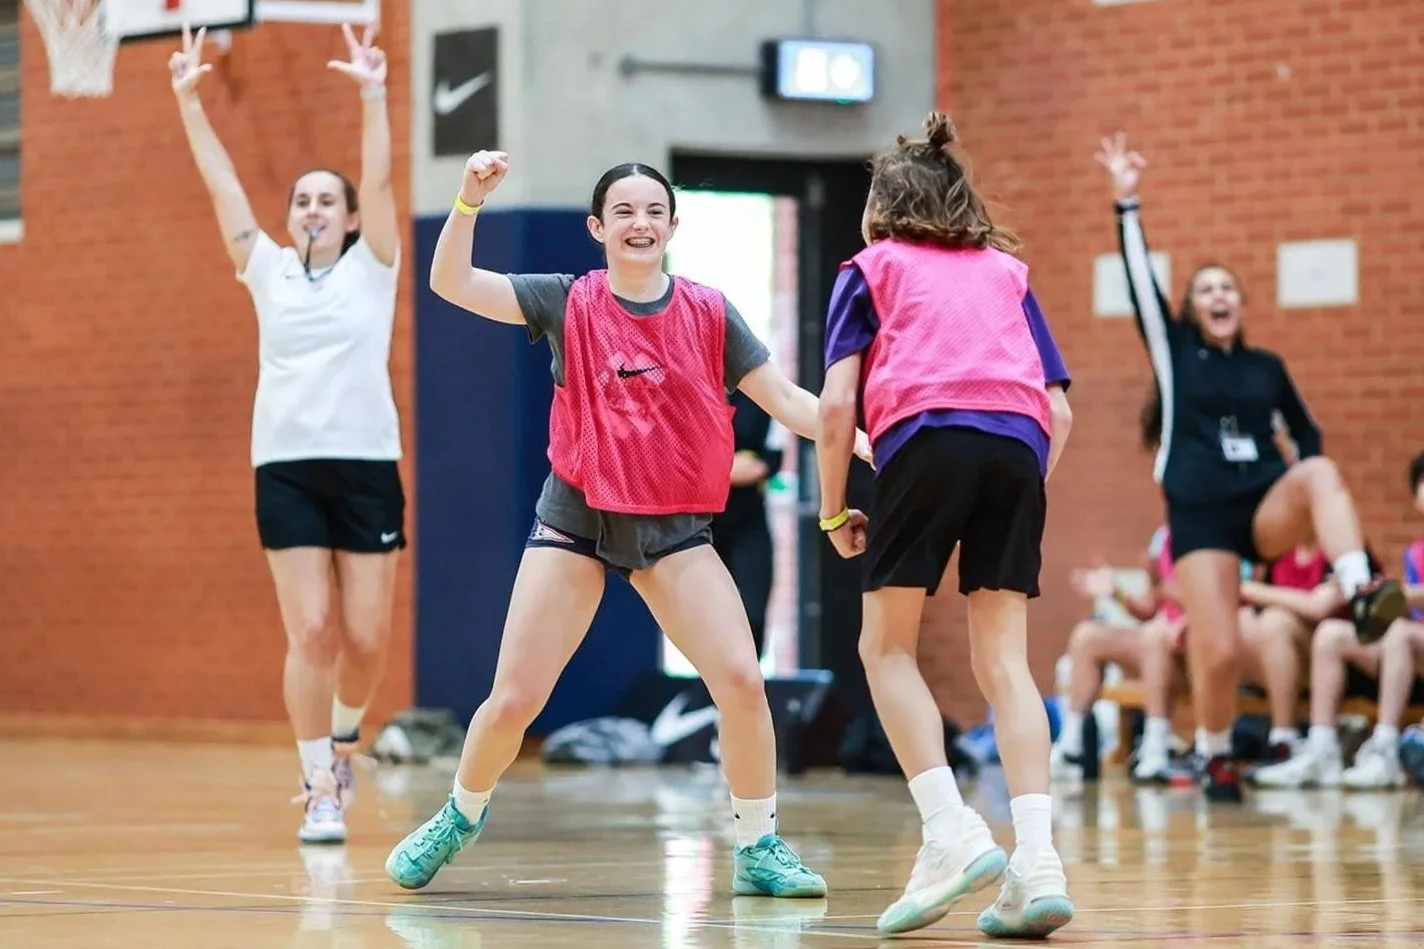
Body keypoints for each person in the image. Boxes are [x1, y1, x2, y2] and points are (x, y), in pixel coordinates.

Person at [384, 149, 871, 897]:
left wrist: (858, 433)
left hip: (673, 529)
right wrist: (468, 200)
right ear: (597, 227)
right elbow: (450, 282)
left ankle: (757, 843)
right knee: (514, 698)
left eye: (653, 211)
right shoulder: (565, 300)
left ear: (672, 224)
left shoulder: (709, 311)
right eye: (624, 212)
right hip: (576, 519)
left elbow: (786, 399)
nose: (639, 223)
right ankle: (458, 813)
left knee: (742, 680)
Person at [817, 112, 1075, 939]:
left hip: (924, 437)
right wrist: (1020, 486)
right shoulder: (1007, 271)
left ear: (883, 206)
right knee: (1006, 661)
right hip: (1019, 446)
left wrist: (832, 510)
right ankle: (1037, 860)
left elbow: (833, 411)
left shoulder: (869, 267)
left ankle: (948, 831)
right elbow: (1059, 410)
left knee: (883, 647)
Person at [1096, 132, 1406, 802]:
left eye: (1228, 287)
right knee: (1218, 651)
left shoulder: (1266, 367)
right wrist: (1127, 205)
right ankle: (1215, 754)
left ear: (1240, 302)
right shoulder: (1175, 353)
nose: (1218, 294)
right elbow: (1142, 287)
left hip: (1262, 505)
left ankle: (1358, 586)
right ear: (1192, 306)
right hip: (1201, 517)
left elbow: (1309, 432)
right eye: (1206, 288)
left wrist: (1300, 498)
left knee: (1321, 473)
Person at [172, 23, 404, 843]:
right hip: (286, 467)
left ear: (346, 219)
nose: (313, 208)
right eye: (301, 198)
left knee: (368, 640)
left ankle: (344, 736)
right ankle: (318, 784)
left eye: (326, 199)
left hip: (369, 464)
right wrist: (188, 100)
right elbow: (222, 186)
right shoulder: (265, 267)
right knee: (310, 629)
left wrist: (373, 93)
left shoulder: (376, 265)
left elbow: (380, 180)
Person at [712, 389, 784, 660]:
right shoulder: (689, 386)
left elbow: (773, 455)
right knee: (709, 617)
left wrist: (756, 467)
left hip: (748, 520)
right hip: (701, 526)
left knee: (754, 610)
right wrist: (725, 471)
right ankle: (710, 693)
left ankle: (749, 685)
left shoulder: (755, 390)